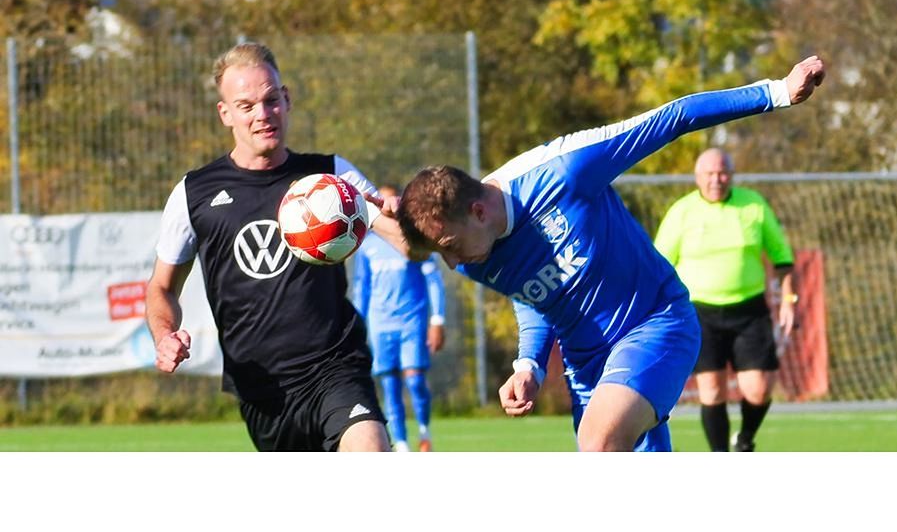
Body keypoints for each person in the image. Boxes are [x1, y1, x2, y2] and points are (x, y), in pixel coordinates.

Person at [395, 56, 825, 452]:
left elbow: (674, 117)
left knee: (600, 440)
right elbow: (533, 296)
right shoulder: (474, 251)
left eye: (448, 248)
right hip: (587, 371)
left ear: (478, 211)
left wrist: (778, 92)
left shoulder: (565, 170)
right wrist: (529, 366)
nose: (451, 264)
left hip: (655, 323)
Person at [145, 42, 414, 452]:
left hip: (336, 366)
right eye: (246, 105)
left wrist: (406, 217)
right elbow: (161, 288)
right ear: (226, 113)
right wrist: (164, 335)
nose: (262, 114)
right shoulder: (194, 193)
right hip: (262, 389)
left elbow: (407, 243)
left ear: (286, 99)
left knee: (369, 448)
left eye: (271, 100)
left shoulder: (330, 176)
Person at [653, 148, 796, 452]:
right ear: (697, 177)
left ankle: (744, 440)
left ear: (731, 175)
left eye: (722, 173)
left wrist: (788, 299)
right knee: (712, 390)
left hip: (750, 309)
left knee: (758, 389)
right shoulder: (682, 212)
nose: (716, 180)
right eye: (709, 174)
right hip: (700, 313)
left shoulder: (753, 205)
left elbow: (782, 257)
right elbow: (659, 265)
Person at [352, 184, 447, 452]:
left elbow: (434, 282)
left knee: (415, 380)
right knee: (390, 385)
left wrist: (437, 320)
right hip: (380, 325)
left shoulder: (412, 241)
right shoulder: (367, 246)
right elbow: (362, 287)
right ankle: (402, 444)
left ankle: (424, 431)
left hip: (412, 322)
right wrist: (359, 325)